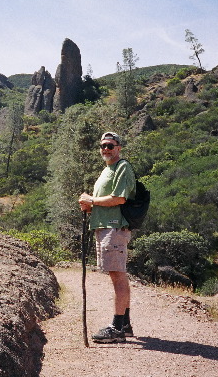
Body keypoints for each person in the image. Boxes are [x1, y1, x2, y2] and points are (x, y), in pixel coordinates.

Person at [78, 131, 136, 343]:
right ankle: (125, 325)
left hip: (114, 228)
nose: (105, 149)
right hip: (105, 226)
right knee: (118, 274)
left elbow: (119, 198)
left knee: (117, 275)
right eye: (103, 146)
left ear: (119, 148)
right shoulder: (107, 170)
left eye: (110, 146)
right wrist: (90, 206)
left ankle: (116, 328)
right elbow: (105, 202)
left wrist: (92, 200)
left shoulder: (122, 167)